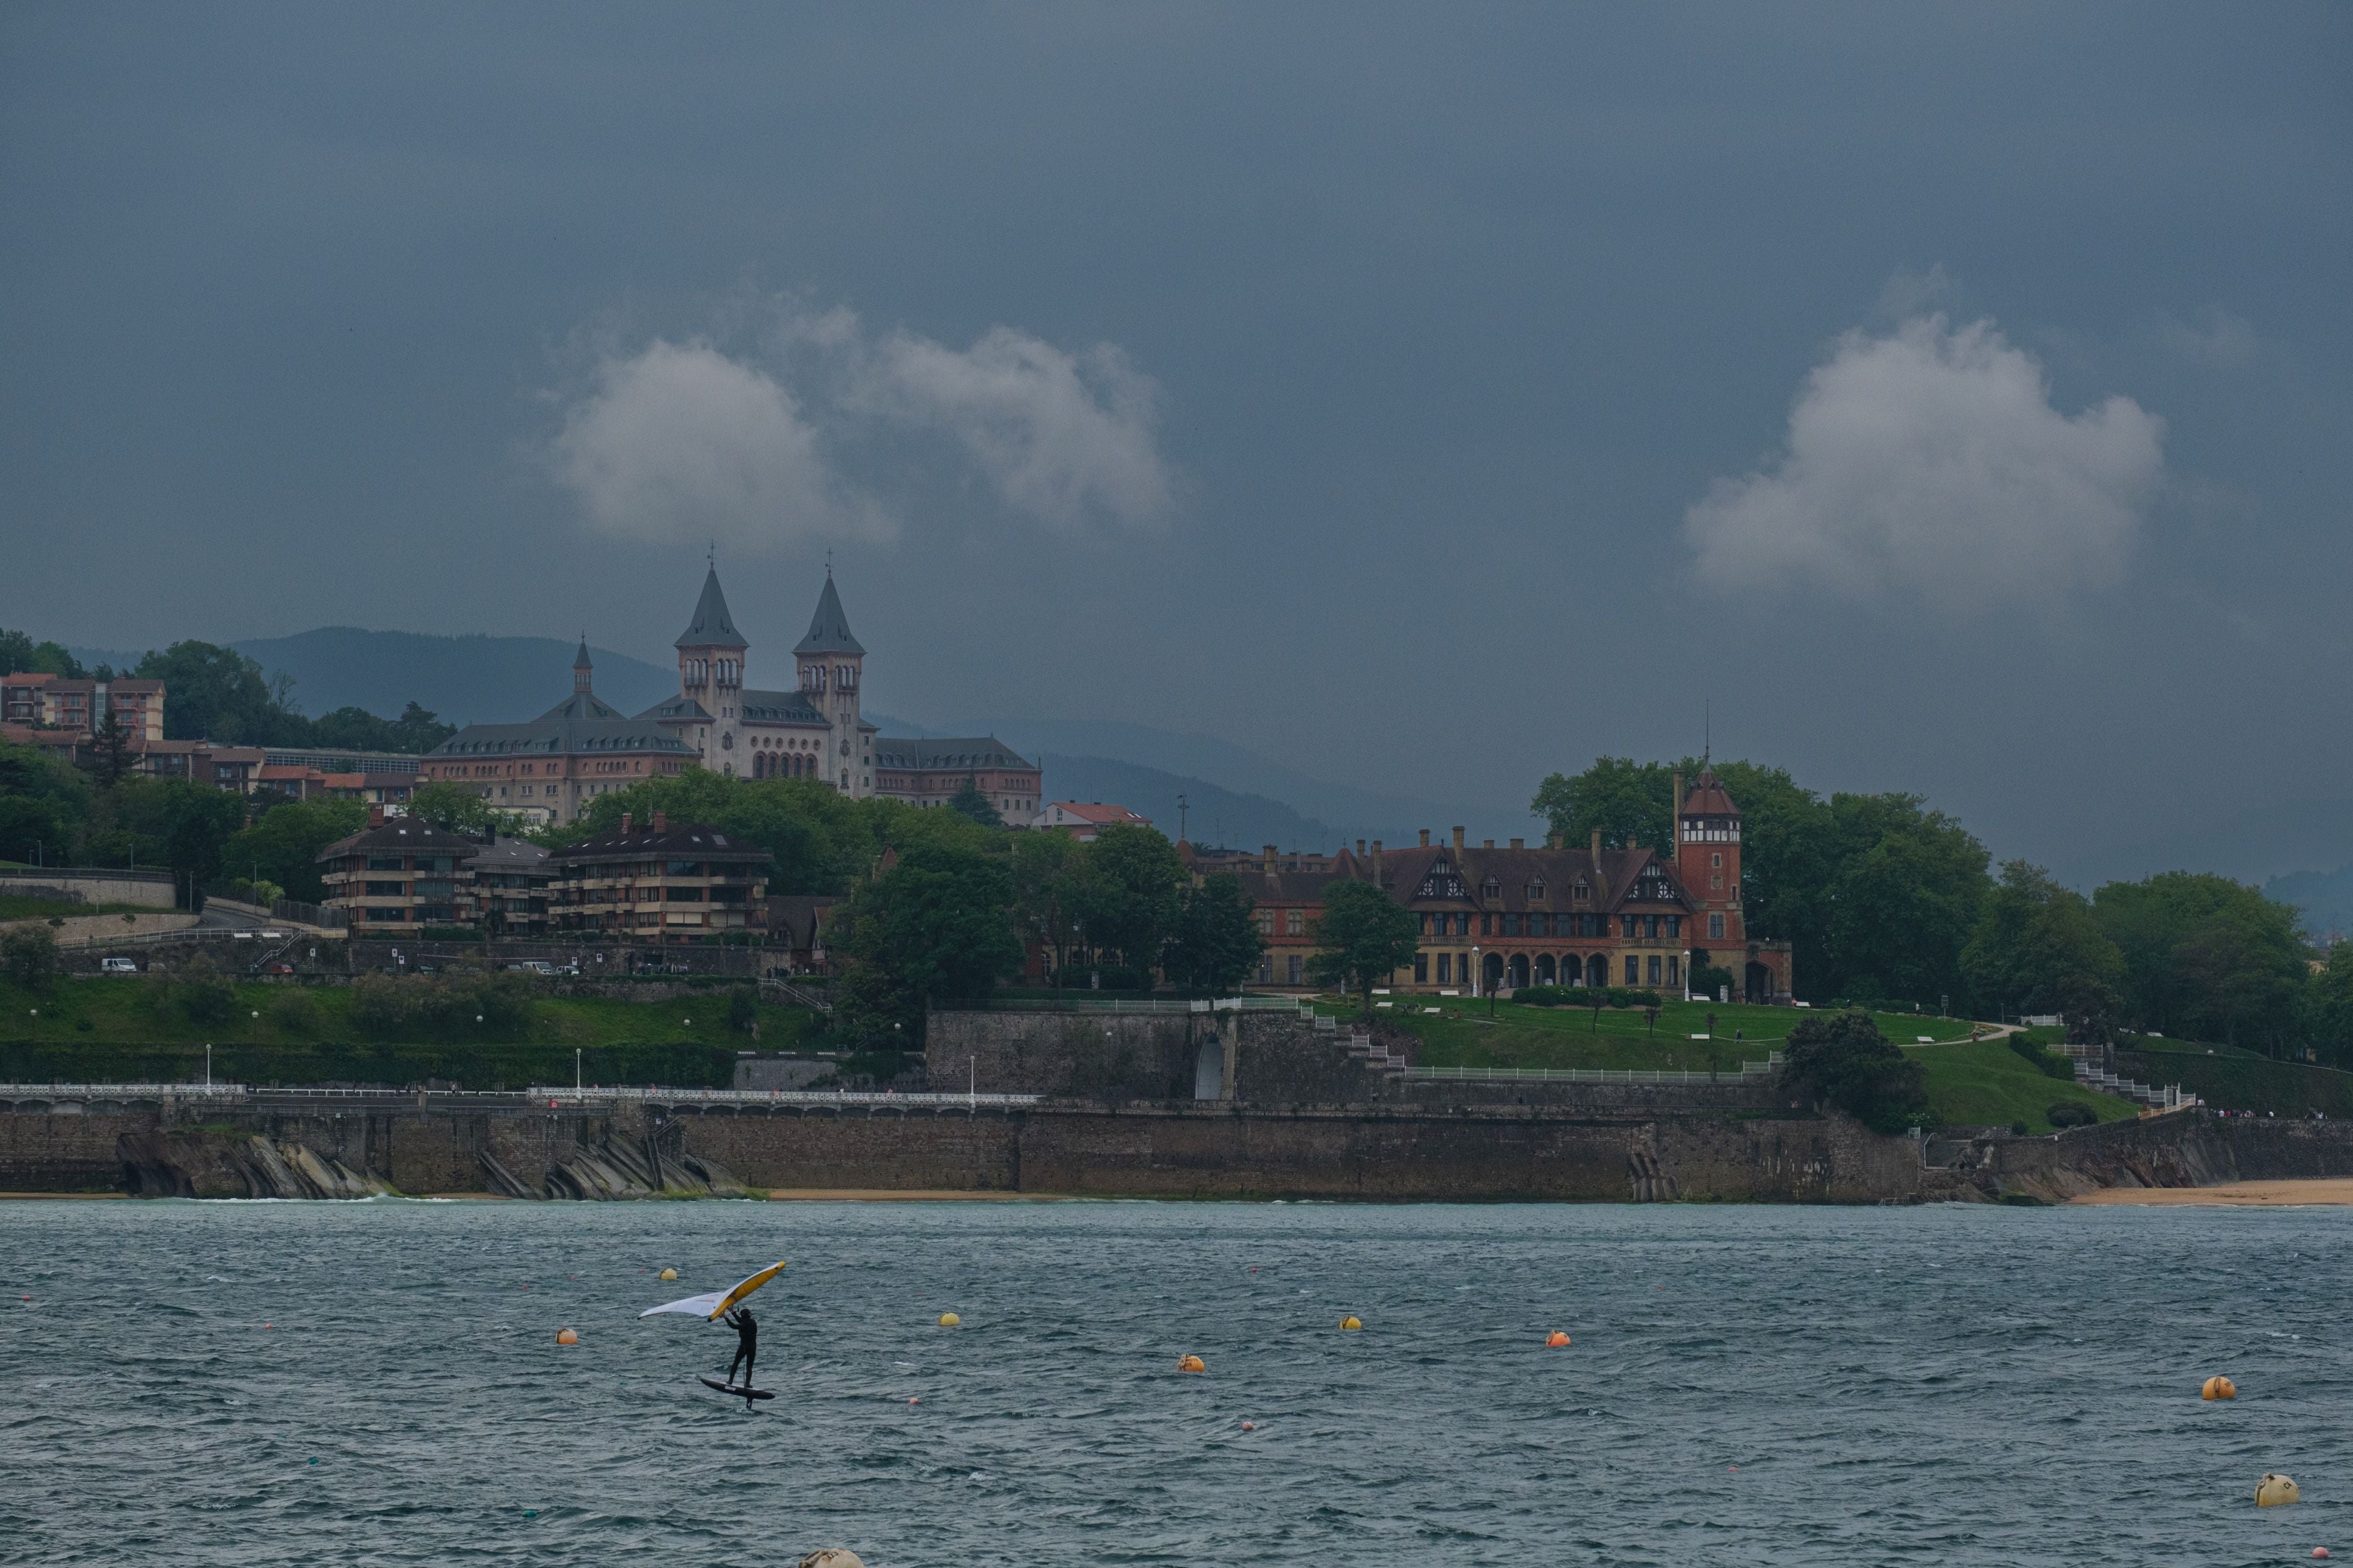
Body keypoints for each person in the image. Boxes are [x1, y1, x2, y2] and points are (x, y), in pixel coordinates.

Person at [724, 1306, 758, 1390]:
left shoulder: (743, 1325)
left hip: (744, 1347)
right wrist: (732, 1312)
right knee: (749, 1367)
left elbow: (733, 1326)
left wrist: (725, 1317)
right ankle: (747, 1384)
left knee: (736, 1363)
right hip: (753, 1347)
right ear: (749, 1316)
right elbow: (741, 1321)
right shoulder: (753, 1322)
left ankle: (730, 1381)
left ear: (743, 1316)